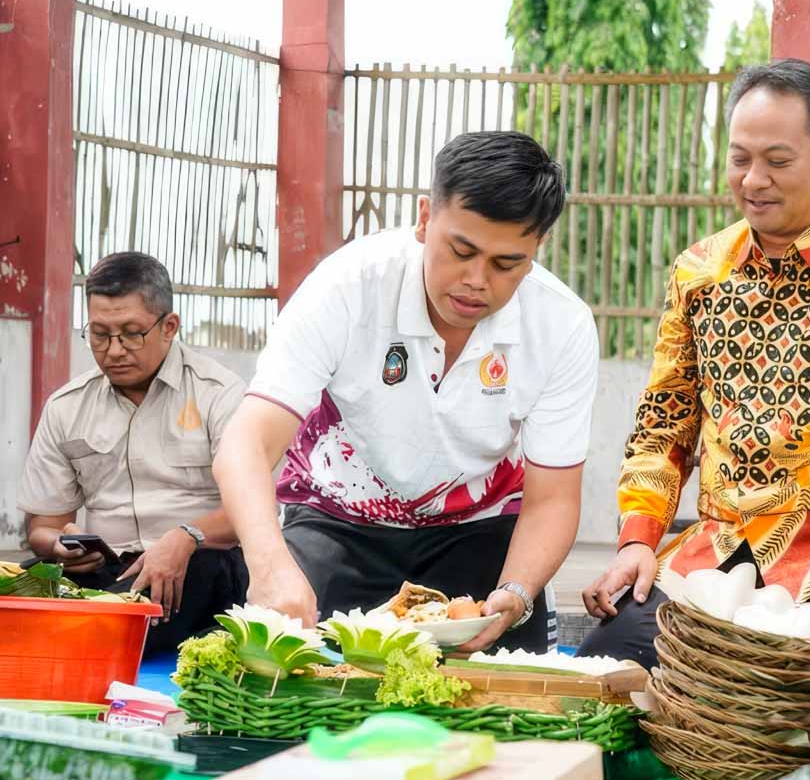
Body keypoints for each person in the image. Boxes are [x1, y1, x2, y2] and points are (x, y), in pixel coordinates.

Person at [577, 59, 810, 668]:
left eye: (778, 161)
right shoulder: (698, 269)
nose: (754, 180)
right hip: (714, 550)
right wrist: (638, 541)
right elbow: (662, 426)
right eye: (739, 159)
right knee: (611, 675)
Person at [216, 130, 595, 653]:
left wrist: (517, 590)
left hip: (479, 529)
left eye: (506, 264)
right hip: (339, 520)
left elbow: (552, 497)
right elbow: (246, 444)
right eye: (460, 250)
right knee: (296, 675)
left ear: (536, 250)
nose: (475, 280)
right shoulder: (348, 285)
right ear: (424, 219)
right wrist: (269, 564)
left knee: (507, 694)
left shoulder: (562, 324)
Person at [17, 251, 249, 649]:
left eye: (131, 333)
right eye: (100, 334)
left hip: (196, 564)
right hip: (109, 570)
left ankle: (101, 628)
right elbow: (43, 525)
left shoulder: (220, 395)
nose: (115, 350)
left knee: (187, 581)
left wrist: (185, 536)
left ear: (169, 326)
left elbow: (250, 510)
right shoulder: (67, 406)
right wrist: (59, 545)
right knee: (6, 590)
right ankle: (104, 624)